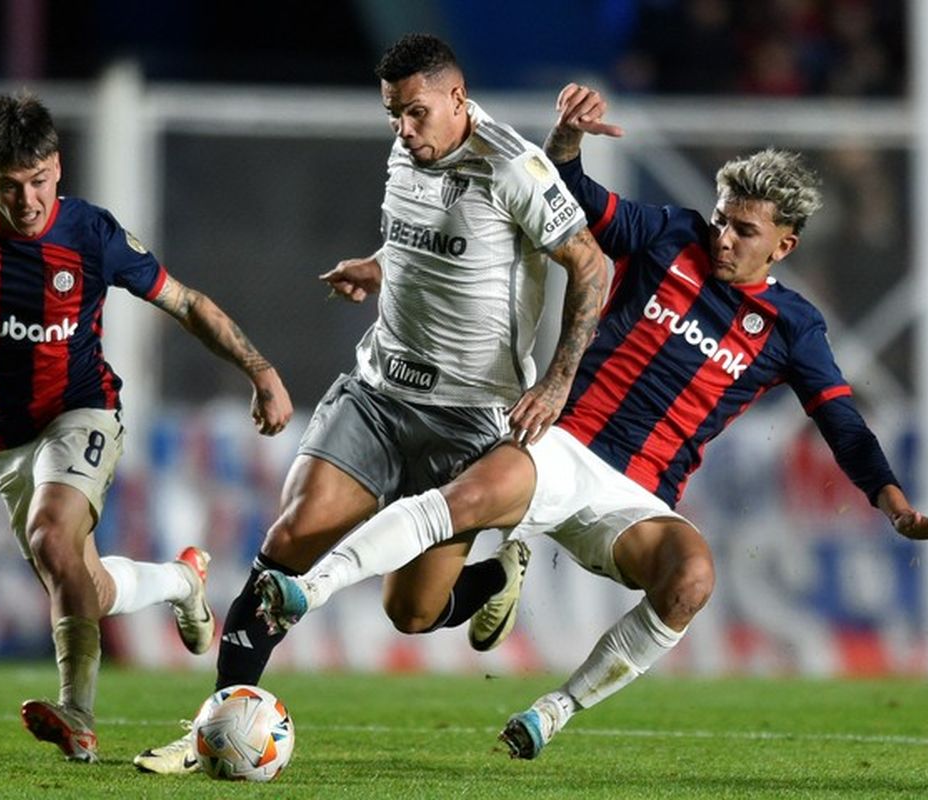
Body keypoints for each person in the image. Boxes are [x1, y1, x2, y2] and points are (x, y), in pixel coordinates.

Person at [253, 82, 928, 760]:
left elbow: (841, 423)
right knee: (428, 577)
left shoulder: (793, 326)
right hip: (561, 443)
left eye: (744, 230)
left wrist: (893, 502)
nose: (723, 236)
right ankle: (307, 591)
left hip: (637, 496)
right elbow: (573, 200)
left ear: (783, 246)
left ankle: (553, 712)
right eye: (722, 219)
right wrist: (566, 141)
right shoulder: (668, 235)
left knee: (692, 577)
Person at [133, 34, 610, 774]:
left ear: (458, 100)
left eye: (417, 113)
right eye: (394, 116)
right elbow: (424, 240)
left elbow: (592, 265)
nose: (405, 131)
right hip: (378, 392)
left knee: (411, 613)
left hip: (472, 417)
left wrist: (557, 381)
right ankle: (213, 728)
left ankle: (489, 578)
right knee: (289, 542)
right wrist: (377, 266)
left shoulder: (512, 165)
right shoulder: (408, 151)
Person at [0, 90, 294, 764]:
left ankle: (79, 716)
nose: (27, 199)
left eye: (38, 181)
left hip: (82, 410)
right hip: (2, 441)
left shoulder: (92, 235)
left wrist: (260, 370)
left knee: (49, 532)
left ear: (57, 168)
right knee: (80, 584)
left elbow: (186, 304)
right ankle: (182, 582)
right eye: (9, 185)